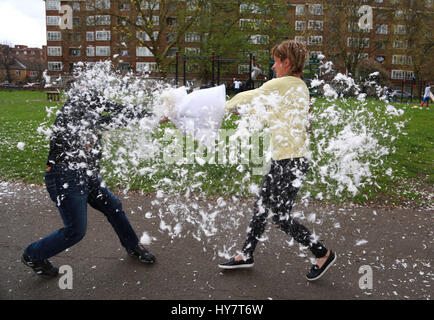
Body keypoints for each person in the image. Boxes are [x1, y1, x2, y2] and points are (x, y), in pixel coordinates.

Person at [219, 40, 337, 281]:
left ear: (287, 62)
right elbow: (268, 114)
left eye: (276, 61)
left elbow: (250, 95)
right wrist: (243, 111)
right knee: (261, 207)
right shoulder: (297, 87)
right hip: (287, 161)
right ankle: (246, 254)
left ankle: (322, 253)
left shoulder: (284, 83)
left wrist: (223, 106)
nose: (273, 66)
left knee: (280, 217)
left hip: (290, 162)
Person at [22, 86, 158, 277]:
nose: (99, 100)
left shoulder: (90, 111)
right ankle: (32, 255)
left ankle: (132, 246)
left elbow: (117, 113)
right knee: (76, 231)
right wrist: (149, 114)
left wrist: (153, 114)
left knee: (114, 207)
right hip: (64, 177)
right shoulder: (70, 115)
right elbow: (113, 115)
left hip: (88, 175)